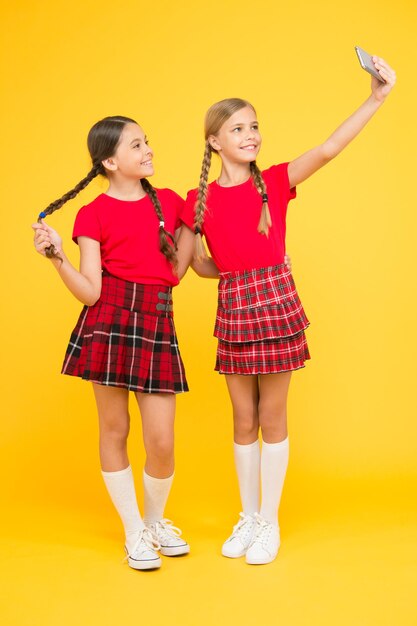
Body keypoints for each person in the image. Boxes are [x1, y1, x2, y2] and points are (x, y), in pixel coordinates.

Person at [179, 56, 396, 565]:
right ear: (214, 141)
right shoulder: (198, 200)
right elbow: (197, 267)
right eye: (238, 128)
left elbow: (328, 148)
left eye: (254, 126)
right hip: (234, 304)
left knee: (271, 415)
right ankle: (248, 516)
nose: (251, 134)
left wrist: (376, 97)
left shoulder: (274, 181)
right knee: (241, 417)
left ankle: (268, 522)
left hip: (275, 303)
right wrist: (232, 270)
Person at [32, 115, 201, 570]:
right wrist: (57, 258)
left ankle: (154, 522)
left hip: (157, 318)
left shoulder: (169, 202)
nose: (147, 149)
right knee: (115, 430)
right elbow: (90, 290)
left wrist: (200, 223)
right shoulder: (93, 214)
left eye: (147, 141)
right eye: (135, 145)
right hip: (108, 320)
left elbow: (177, 273)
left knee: (162, 441)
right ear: (109, 161)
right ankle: (133, 532)